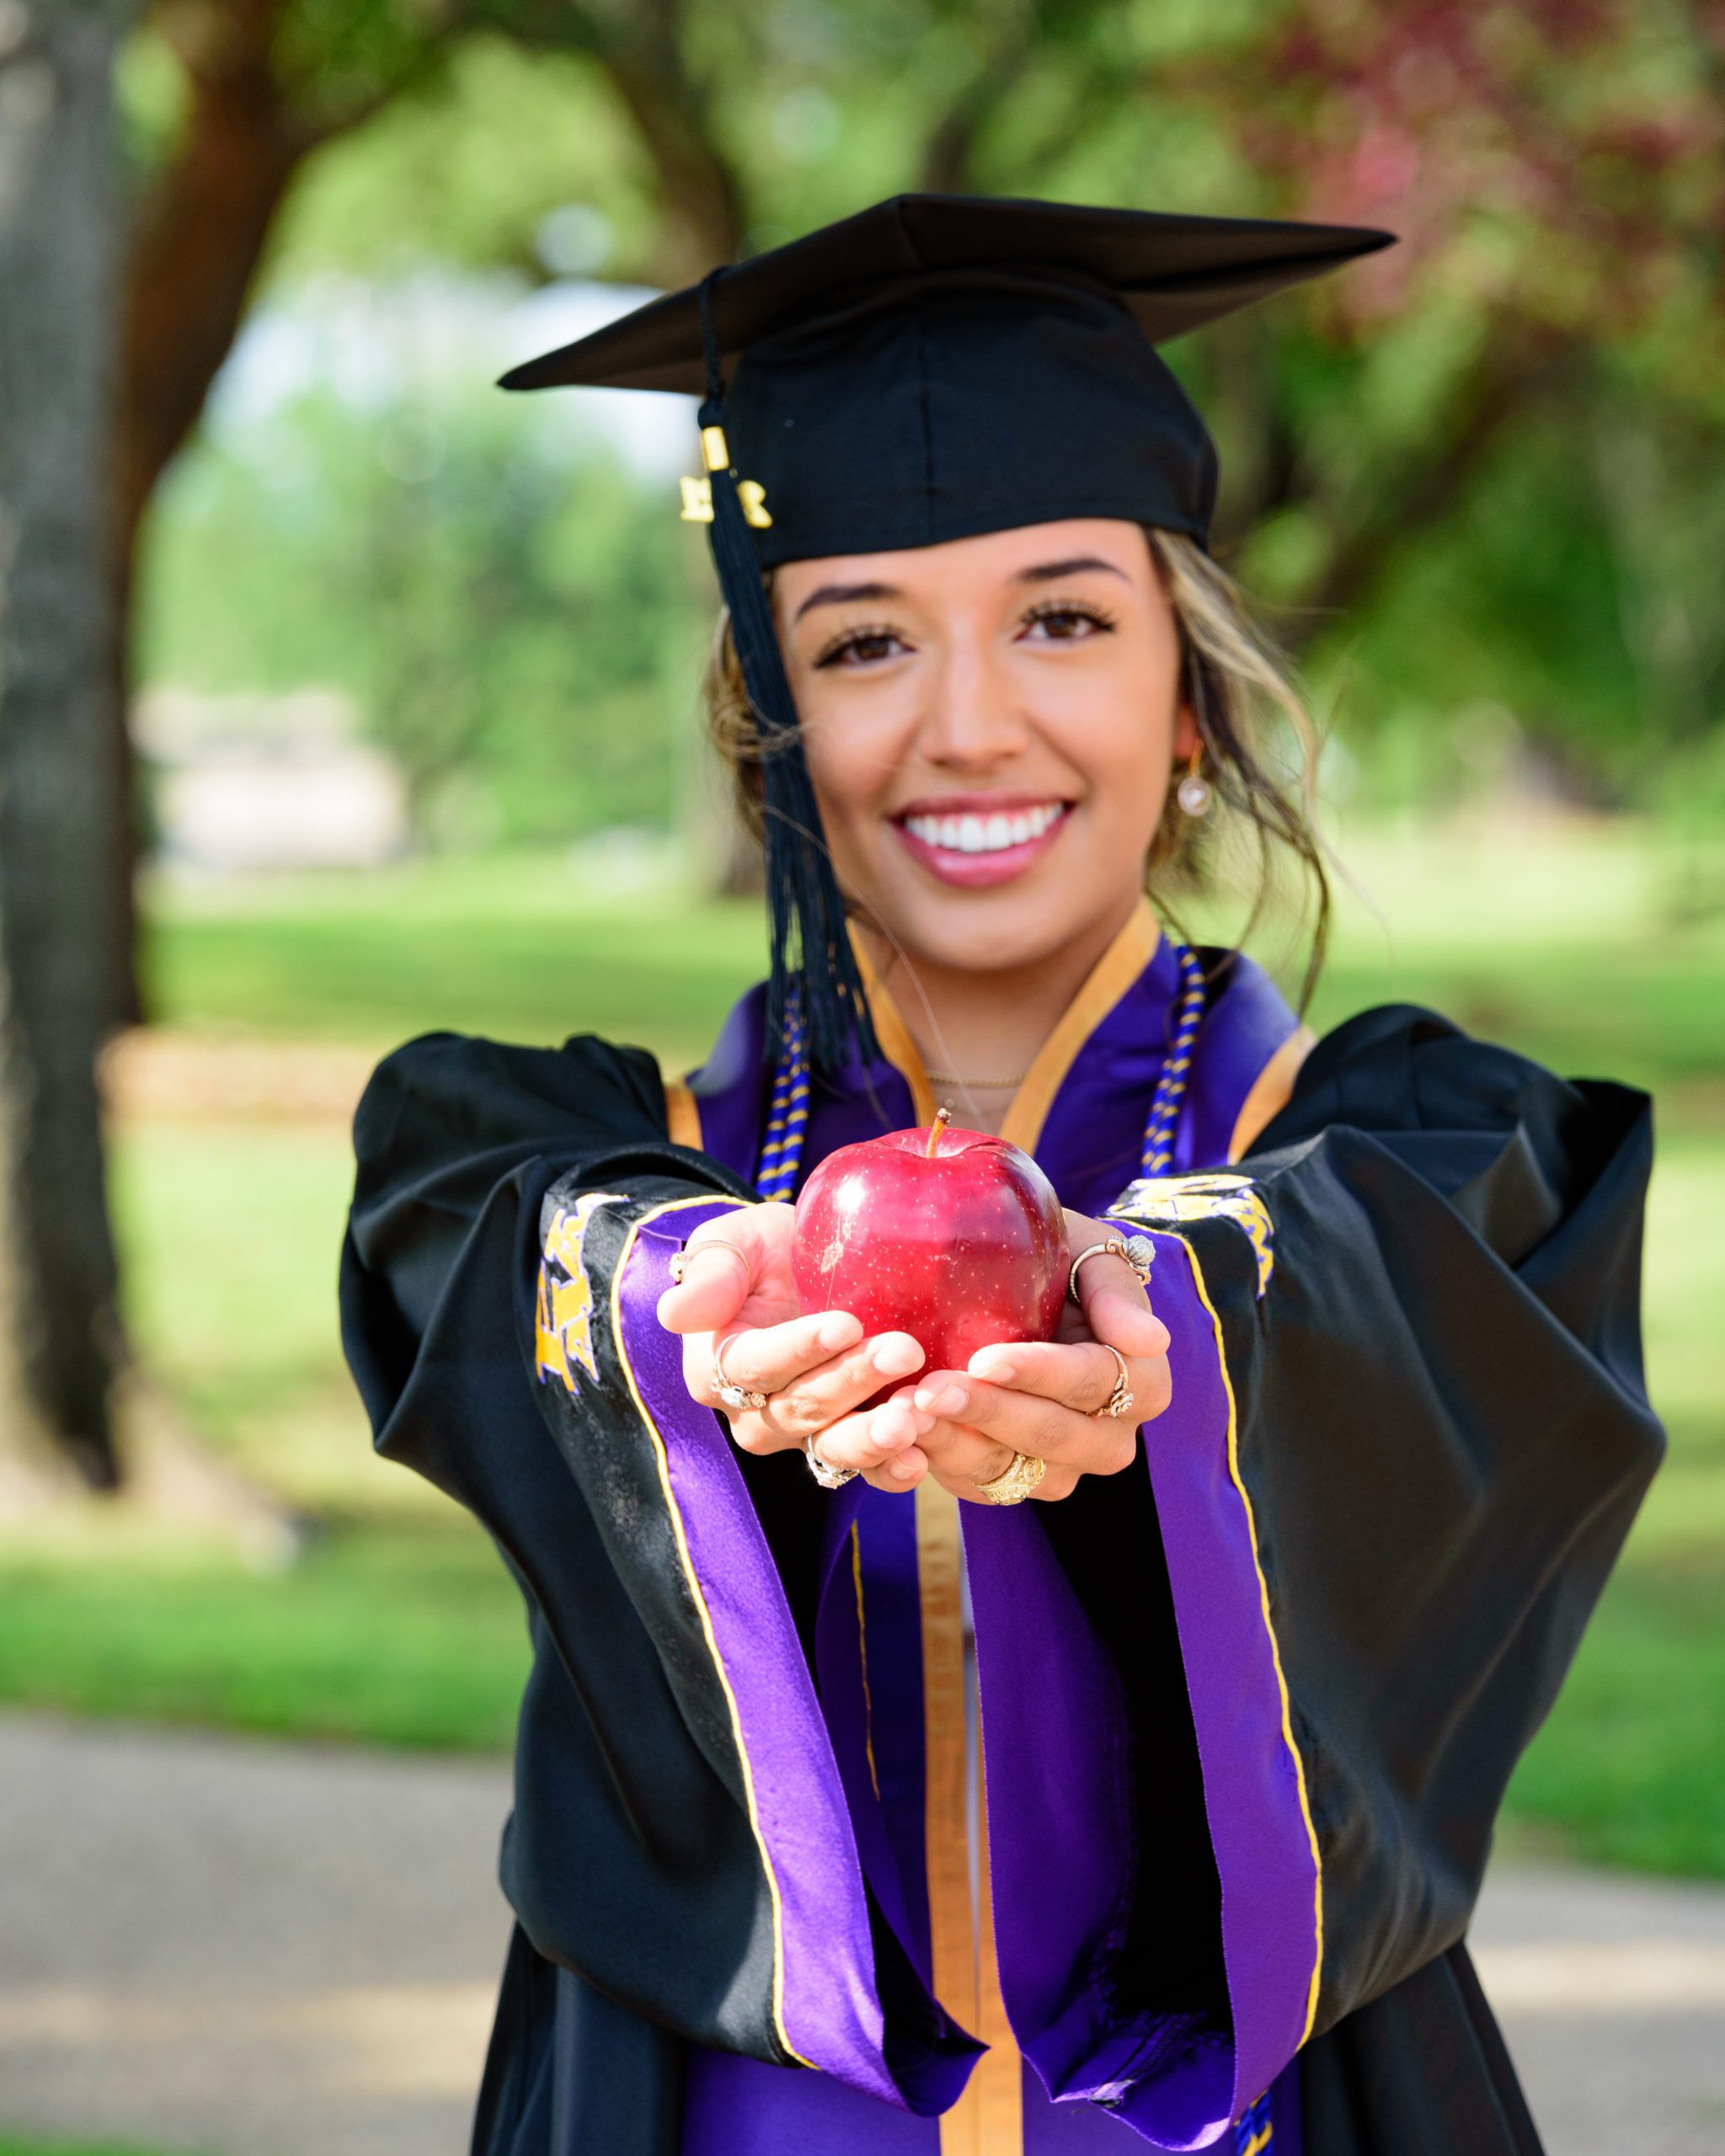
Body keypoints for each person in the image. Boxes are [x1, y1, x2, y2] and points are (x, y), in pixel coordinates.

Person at [339, 195, 1663, 2155]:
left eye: (1063, 617)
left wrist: (1184, 1322)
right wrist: (688, 1296)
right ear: (766, 729)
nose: (971, 726)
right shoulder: (638, 1168)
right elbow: (487, 1227)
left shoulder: (1388, 1155)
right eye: (863, 639)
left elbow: (1398, 1279)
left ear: (1188, 696)